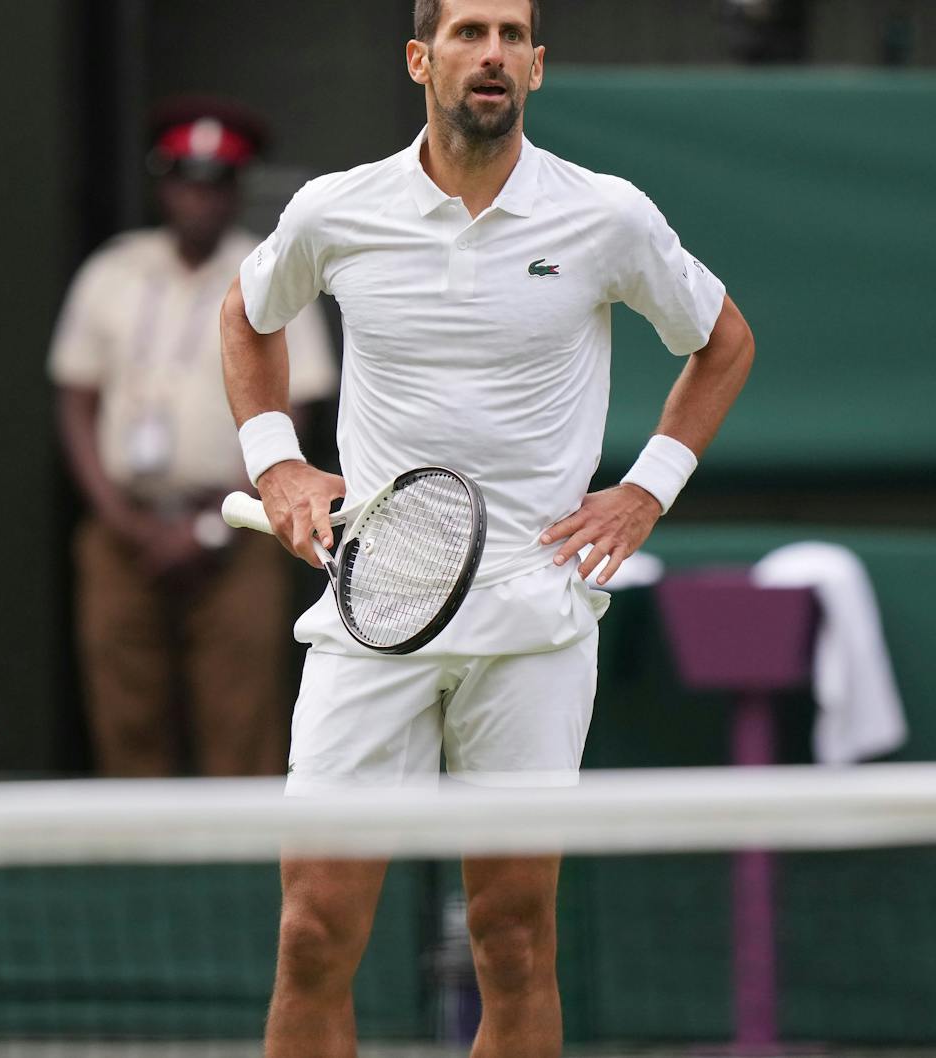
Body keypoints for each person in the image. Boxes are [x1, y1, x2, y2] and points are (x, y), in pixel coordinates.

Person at [220, 1, 755, 1054]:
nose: (492, 54)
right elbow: (246, 315)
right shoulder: (337, 209)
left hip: (534, 616)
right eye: (468, 32)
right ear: (421, 59)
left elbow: (722, 341)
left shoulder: (605, 217)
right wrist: (275, 460)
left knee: (512, 940)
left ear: (538, 67)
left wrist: (646, 486)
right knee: (313, 933)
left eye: (512, 35)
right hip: (373, 611)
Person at [49, 97, 337, 778]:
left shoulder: (273, 273)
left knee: (240, 711)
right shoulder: (113, 270)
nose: (199, 197)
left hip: (240, 524)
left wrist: (215, 523)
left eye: (216, 182)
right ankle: (145, 874)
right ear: (162, 184)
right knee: (125, 707)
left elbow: (299, 411)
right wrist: (121, 519)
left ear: (236, 190)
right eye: (185, 178)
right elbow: (75, 402)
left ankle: (239, 878)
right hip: (127, 525)